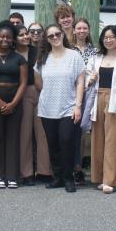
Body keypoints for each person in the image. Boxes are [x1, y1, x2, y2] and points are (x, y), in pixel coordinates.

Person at [34, 24, 85, 193]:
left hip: (68, 107)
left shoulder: (74, 56)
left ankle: (69, 178)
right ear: (47, 39)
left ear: (63, 34)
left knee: (66, 141)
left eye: (57, 34)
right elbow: (39, 82)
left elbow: (80, 82)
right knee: (53, 144)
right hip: (47, 108)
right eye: (51, 36)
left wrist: (78, 106)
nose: (55, 37)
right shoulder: (43, 58)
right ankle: (58, 177)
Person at [0, 21, 28, 188]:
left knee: (13, 137)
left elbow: (23, 83)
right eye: (2, 36)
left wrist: (13, 103)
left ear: (13, 40)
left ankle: (12, 176)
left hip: (15, 99)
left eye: (8, 37)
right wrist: (1, 102)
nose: (5, 39)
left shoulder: (19, 59)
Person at [89, 25, 116, 194]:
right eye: (105, 37)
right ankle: (100, 178)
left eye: (111, 37)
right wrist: (91, 79)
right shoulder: (96, 58)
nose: (108, 40)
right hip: (98, 100)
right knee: (98, 140)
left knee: (113, 142)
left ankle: (110, 180)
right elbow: (87, 79)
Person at [15, 24, 52, 185]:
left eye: (27, 34)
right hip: (22, 93)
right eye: (22, 34)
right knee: (25, 133)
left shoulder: (37, 52)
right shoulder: (12, 53)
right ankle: (26, 172)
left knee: (42, 132)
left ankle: (45, 171)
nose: (26, 37)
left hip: (41, 91)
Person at [71, 17, 98, 185]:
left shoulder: (95, 51)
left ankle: (90, 169)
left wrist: (92, 78)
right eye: (78, 28)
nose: (81, 31)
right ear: (73, 30)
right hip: (71, 94)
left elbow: (97, 70)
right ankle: (74, 168)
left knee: (85, 132)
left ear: (88, 31)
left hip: (90, 93)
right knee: (73, 133)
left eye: (84, 28)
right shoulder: (68, 49)